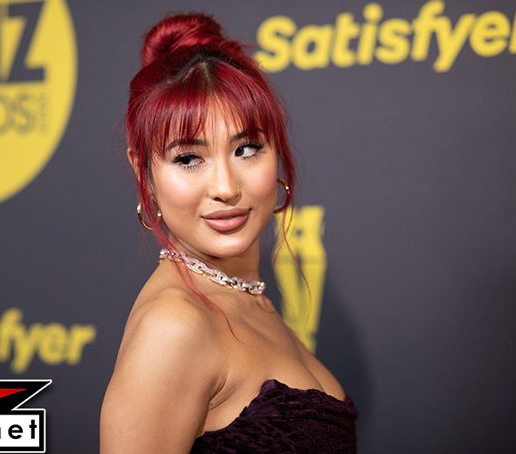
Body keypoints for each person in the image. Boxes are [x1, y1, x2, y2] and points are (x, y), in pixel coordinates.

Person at [100, 12, 357, 454]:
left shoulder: (247, 297)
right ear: (144, 172)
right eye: (188, 159)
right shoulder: (174, 326)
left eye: (247, 148)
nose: (225, 187)